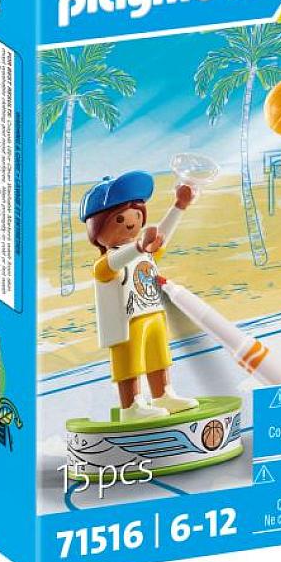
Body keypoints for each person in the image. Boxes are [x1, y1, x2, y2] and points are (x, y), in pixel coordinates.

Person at [80, 170, 198, 420]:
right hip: (127, 322)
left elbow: (161, 237)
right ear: (97, 228)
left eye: (136, 214)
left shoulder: (143, 251)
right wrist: (139, 245)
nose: (131, 223)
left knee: (159, 356)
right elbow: (118, 261)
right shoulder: (105, 263)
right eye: (120, 218)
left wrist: (179, 206)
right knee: (129, 362)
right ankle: (131, 406)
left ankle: (163, 394)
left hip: (153, 313)